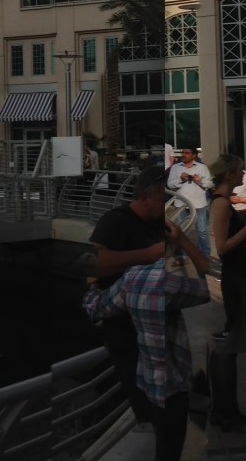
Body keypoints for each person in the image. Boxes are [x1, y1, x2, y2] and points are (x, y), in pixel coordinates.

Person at [84, 217, 211, 461]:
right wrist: (184, 242)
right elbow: (213, 281)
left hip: (149, 383)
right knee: (170, 449)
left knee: (162, 442)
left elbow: (96, 308)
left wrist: (92, 284)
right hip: (174, 384)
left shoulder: (132, 278)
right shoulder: (170, 283)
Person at [88, 166, 170, 428]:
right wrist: (148, 254)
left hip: (151, 326)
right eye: (163, 199)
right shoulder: (116, 221)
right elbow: (92, 263)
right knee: (140, 396)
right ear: (145, 198)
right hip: (124, 328)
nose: (167, 205)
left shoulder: (159, 221)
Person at [207, 153, 246, 433]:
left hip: (236, 277)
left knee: (227, 345)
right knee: (228, 347)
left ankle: (221, 410)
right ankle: (228, 413)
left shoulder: (223, 201)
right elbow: (222, 247)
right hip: (234, 279)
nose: (243, 174)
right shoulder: (222, 203)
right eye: (240, 170)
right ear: (229, 174)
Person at [167, 147, 213, 255]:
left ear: (194, 155)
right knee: (181, 232)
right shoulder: (175, 167)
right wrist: (180, 179)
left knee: (202, 231)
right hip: (181, 205)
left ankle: (205, 254)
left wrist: (200, 181)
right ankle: (182, 255)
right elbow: (169, 185)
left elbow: (211, 184)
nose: (184, 154)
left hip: (199, 205)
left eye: (187, 153)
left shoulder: (202, 167)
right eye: (183, 152)